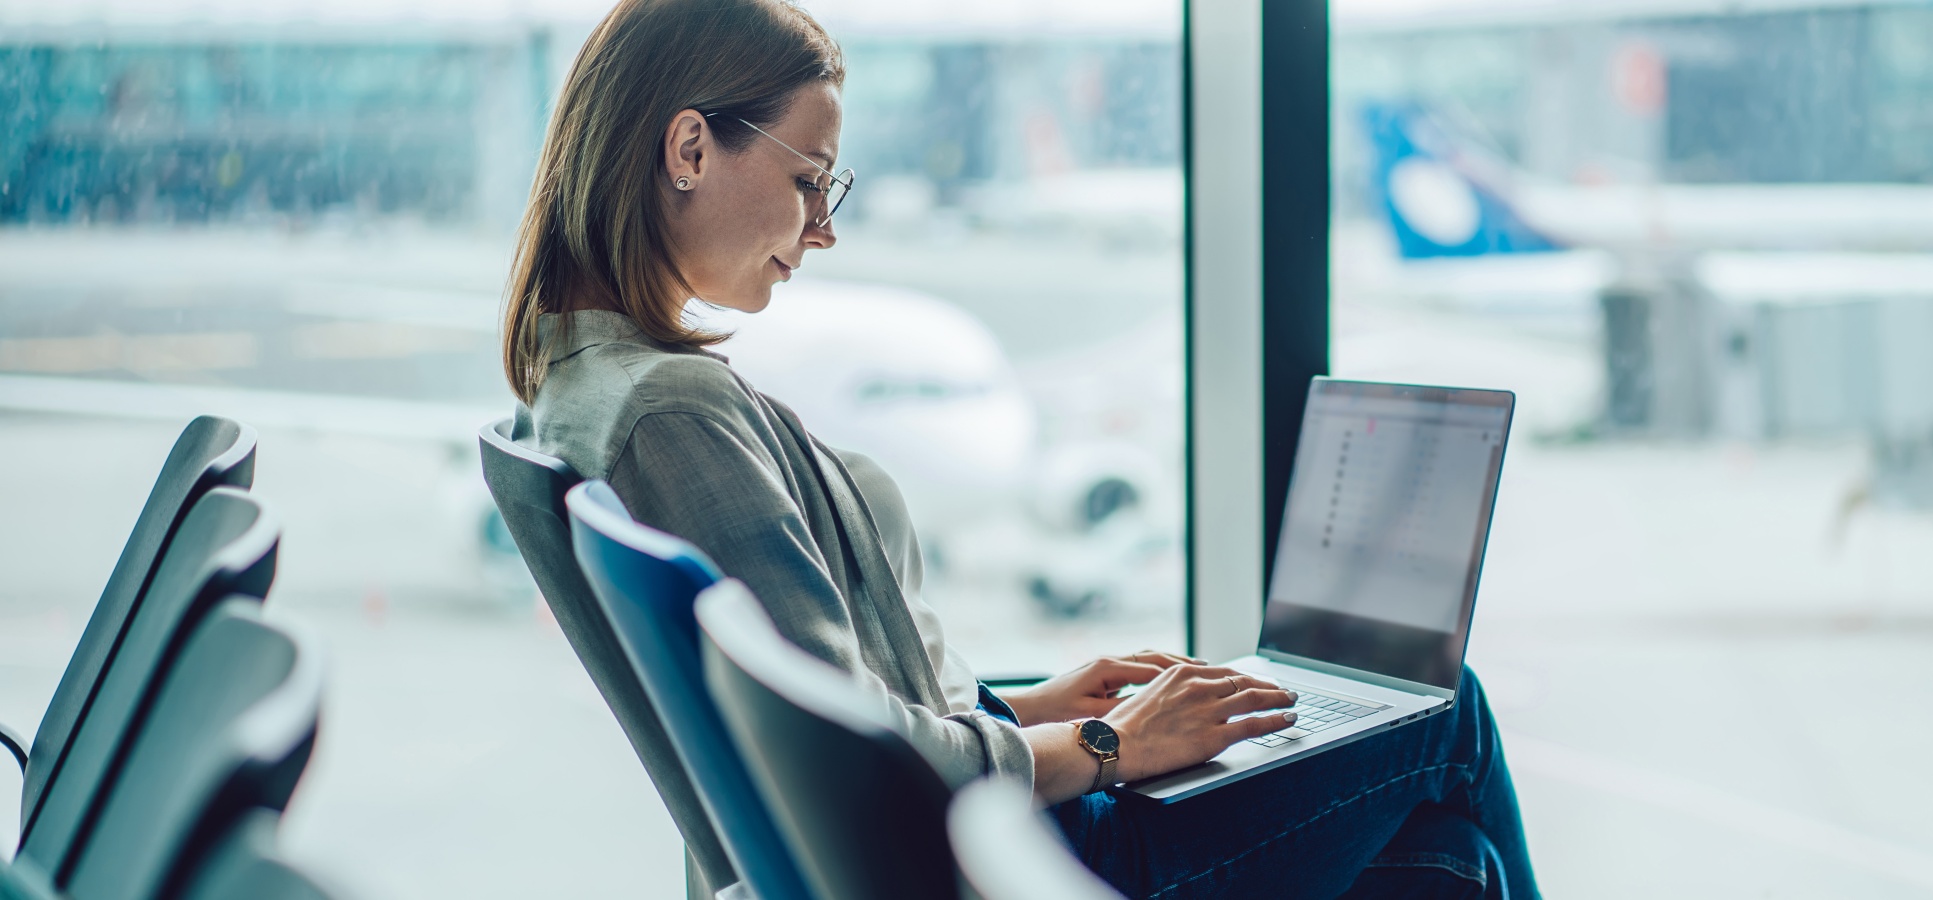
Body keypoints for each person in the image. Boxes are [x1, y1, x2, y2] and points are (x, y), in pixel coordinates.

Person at [497, 1, 1537, 896]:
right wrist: (1106, 747)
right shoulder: (670, 418)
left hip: (962, 842)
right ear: (688, 150)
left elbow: (831, 707)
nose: (822, 229)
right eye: (810, 179)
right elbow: (859, 769)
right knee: (1445, 712)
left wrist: (1022, 707)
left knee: (1447, 864)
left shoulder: (589, 387)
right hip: (1012, 866)